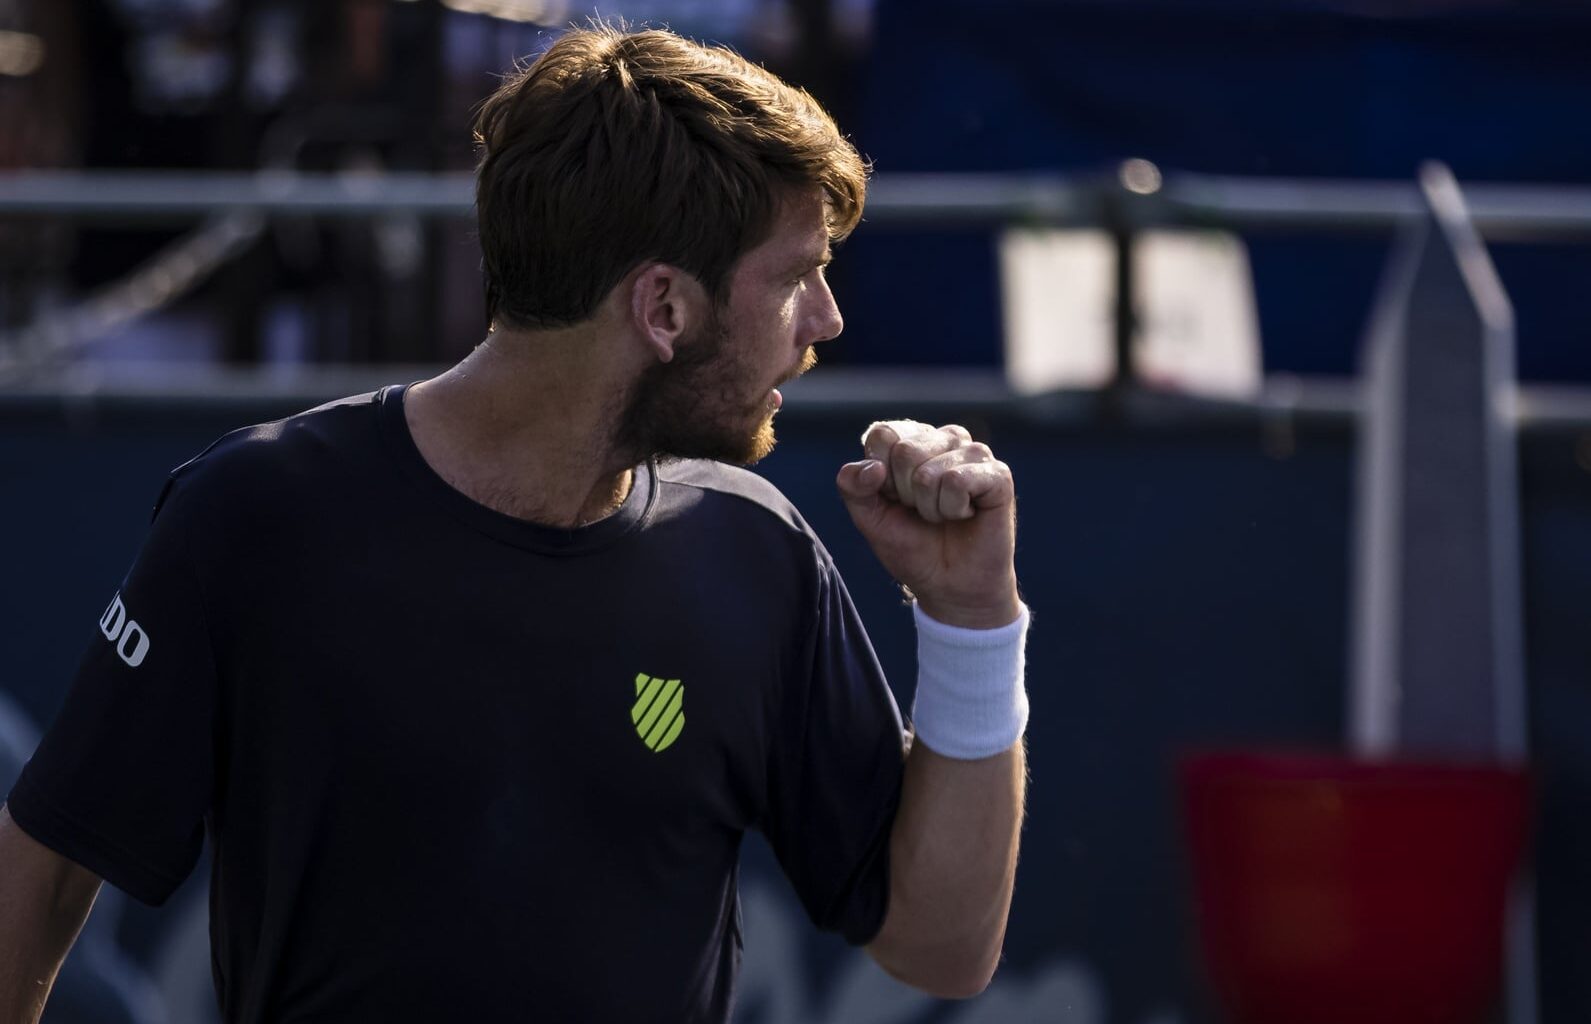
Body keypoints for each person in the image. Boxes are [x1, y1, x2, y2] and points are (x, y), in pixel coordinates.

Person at [0, 24, 1029, 1023]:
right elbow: (39, 881)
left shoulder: (758, 552)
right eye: (796, 275)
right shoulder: (257, 514)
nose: (825, 321)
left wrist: (972, 616)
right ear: (662, 308)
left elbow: (938, 945)